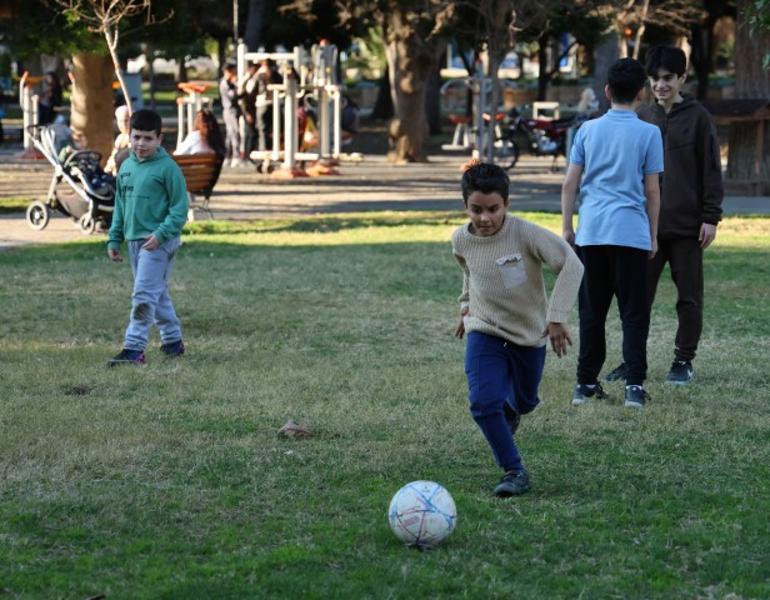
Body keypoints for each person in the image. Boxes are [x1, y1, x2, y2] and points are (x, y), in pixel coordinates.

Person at [452, 161, 584, 497]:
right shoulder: (461, 240)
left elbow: (572, 265)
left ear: (506, 205)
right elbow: (470, 271)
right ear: (465, 206)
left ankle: (513, 409)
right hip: (484, 328)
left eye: (493, 209)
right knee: (483, 403)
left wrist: (556, 317)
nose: (484, 218)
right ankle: (514, 470)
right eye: (476, 210)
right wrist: (465, 306)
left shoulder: (525, 233)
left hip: (528, 334)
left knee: (524, 402)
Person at [604, 47, 724, 386]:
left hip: (688, 228)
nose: (660, 85)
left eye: (667, 78)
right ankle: (632, 362)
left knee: (689, 298)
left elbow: (712, 171)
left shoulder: (699, 117)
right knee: (636, 299)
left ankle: (683, 360)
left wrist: (710, 217)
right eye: (654, 79)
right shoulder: (641, 117)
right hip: (645, 228)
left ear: (682, 78)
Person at [561, 58, 663, 409]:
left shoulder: (587, 131)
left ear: (606, 92)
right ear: (642, 93)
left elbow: (570, 184)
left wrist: (567, 227)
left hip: (592, 233)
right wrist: (652, 235)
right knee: (634, 314)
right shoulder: (650, 133)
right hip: (631, 234)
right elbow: (652, 191)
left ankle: (585, 384)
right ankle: (634, 387)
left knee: (592, 314)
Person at [106, 109, 189, 367]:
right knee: (156, 292)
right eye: (136, 137)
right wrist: (114, 238)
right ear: (129, 136)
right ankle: (173, 342)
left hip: (158, 242)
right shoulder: (126, 166)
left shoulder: (168, 169)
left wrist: (162, 234)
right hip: (134, 241)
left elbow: (179, 209)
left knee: (143, 294)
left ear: (159, 139)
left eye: (148, 138)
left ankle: (134, 349)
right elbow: (120, 206)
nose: (141, 143)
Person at [219, 63, 241, 167]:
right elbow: (233, 96)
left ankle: (227, 157)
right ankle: (235, 157)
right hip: (230, 110)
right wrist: (236, 84)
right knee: (234, 133)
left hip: (230, 110)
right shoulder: (225, 83)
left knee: (229, 134)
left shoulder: (227, 82)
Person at [105, 105, 131, 176]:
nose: (123, 124)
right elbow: (113, 156)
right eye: (120, 121)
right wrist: (106, 170)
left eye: (126, 120)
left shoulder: (134, 138)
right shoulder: (120, 137)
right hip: (116, 175)